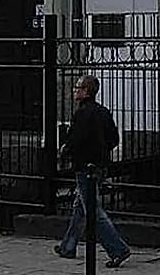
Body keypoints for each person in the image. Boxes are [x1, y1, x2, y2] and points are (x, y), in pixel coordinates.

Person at [56, 74, 132, 267]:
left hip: (85, 167)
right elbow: (114, 138)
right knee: (80, 206)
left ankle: (118, 249)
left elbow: (75, 140)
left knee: (92, 210)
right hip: (100, 165)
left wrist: (65, 150)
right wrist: (102, 151)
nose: (74, 90)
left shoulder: (82, 114)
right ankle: (68, 246)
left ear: (86, 91)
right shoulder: (103, 112)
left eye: (78, 87)